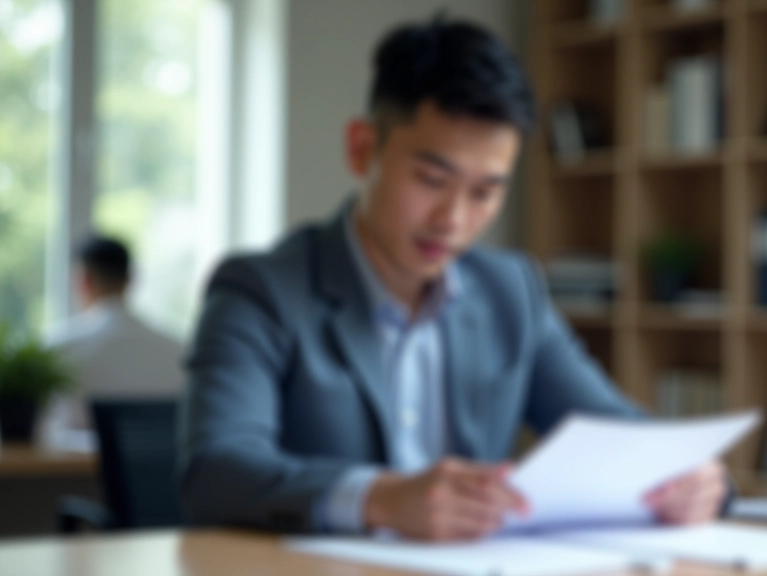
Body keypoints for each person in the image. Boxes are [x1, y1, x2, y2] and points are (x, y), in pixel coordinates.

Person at [178, 16, 728, 540]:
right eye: (432, 179)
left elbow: (616, 434)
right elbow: (216, 471)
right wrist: (382, 499)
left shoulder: (510, 291)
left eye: (485, 191)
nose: (454, 220)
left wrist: (695, 479)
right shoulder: (260, 292)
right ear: (362, 148)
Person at [41, 236, 185, 445]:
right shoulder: (179, 350)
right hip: (158, 473)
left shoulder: (56, 348)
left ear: (83, 281)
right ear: (131, 279)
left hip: (73, 475)